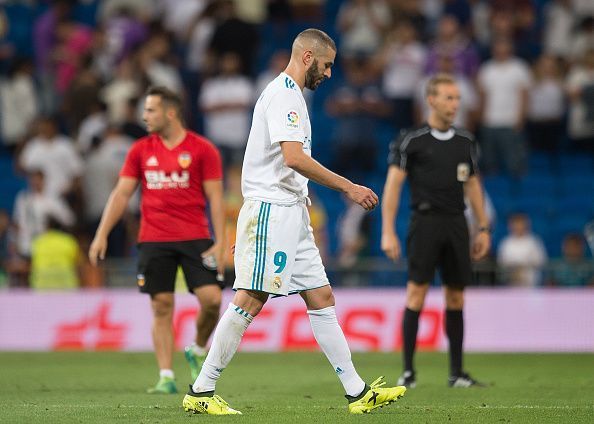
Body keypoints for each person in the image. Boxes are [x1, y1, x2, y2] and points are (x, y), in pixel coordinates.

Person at [182, 28, 406, 416]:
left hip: (291, 211)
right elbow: (294, 157)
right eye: (327, 65)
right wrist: (348, 187)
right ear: (307, 58)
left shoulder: (290, 95)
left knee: (321, 297)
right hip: (272, 208)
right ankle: (202, 391)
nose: (330, 74)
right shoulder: (284, 95)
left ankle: (357, 392)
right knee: (251, 297)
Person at [88, 86, 226, 394]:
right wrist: (101, 234)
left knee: (212, 301)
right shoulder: (140, 150)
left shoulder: (204, 149)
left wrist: (221, 240)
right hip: (154, 239)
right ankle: (165, 375)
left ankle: (198, 348)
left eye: (150, 110)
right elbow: (122, 193)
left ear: (171, 112)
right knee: (161, 305)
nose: (144, 116)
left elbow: (215, 198)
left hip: (196, 237)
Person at [381, 74, 491, 388]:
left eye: (457, 98)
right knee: (416, 293)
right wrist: (387, 230)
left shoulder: (466, 141)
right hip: (425, 223)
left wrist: (482, 228)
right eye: (448, 97)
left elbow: (472, 184)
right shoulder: (410, 140)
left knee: (456, 296)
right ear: (431, 100)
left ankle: (456, 373)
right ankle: (408, 372)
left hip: (457, 223)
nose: (455, 104)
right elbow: (392, 187)